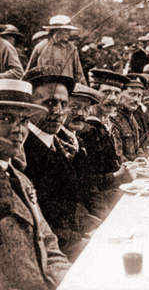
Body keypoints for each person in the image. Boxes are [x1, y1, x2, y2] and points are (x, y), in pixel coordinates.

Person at [0, 79, 71, 290]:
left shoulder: (21, 179)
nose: (17, 130)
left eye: (23, 121)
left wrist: (72, 280)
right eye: (5, 118)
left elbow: (49, 244)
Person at [23, 65, 90, 262]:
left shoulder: (56, 141)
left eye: (64, 104)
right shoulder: (23, 151)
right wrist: (79, 242)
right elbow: (40, 223)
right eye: (50, 103)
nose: (59, 112)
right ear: (28, 105)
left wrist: (91, 226)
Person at [65, 83, 138, 220]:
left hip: (102, 197)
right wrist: (117, 176)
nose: (112, 98)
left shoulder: (101, 126)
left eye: (116, 93)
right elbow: (86, 184)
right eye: (106, 92)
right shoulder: (87, 131)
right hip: (92, 205)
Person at [26, 15, 87, 85]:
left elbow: (79, 75)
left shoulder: (71, 48)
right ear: (56, 30)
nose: (69, 33)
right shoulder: (40, 48)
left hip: (66, 90)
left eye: (69, 30)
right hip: (44, 89)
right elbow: (29, 72)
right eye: (66, 30)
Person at [110, 77, 144, 163]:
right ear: (119, 95)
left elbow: (136, 148)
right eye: (132, 94)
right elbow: (119, 157)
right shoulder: (114, 119)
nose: (136, 100)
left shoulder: (131, 117)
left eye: (139, 96)